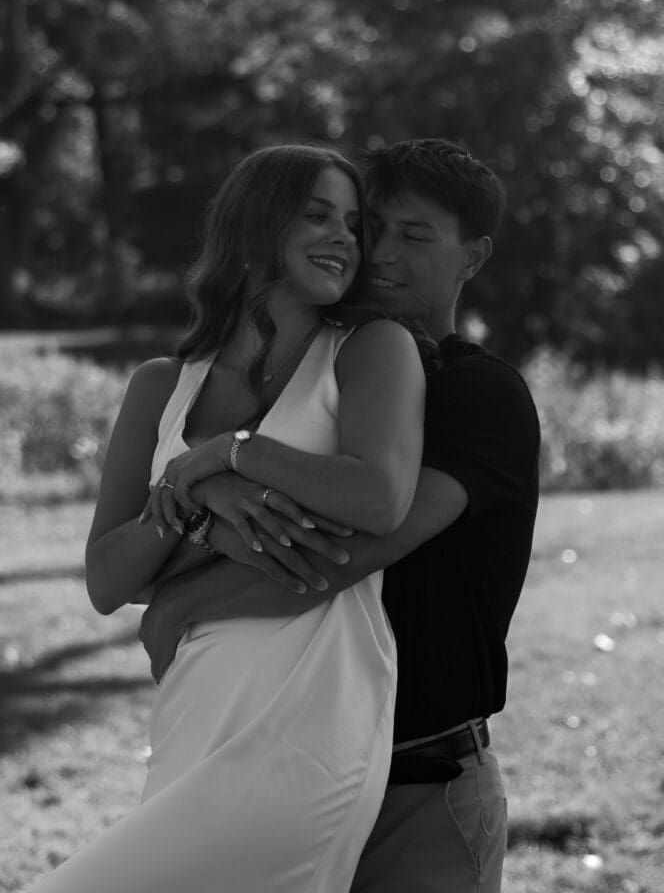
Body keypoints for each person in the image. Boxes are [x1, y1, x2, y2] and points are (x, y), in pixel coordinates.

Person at [139, 137, 540, 893]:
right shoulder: (320, 376)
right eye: (370, 228)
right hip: (282, 775)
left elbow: (344, 550)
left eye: (414, 236)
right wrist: (206, 498)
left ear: (473, 257)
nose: (378, 252)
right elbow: (251, 530)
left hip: (417, 787)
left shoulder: (477, 393)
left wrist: (179, 605)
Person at [27, 143, 427, 893]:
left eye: (352, 224)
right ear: (254, 227)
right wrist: (197, 499)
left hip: (313, 714)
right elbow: (108, 579)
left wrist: (231, 454)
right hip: (193, 704)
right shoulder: (160, 386)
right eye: (317, 216)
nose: (343, 238)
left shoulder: (372, 349)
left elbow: (379, 496)